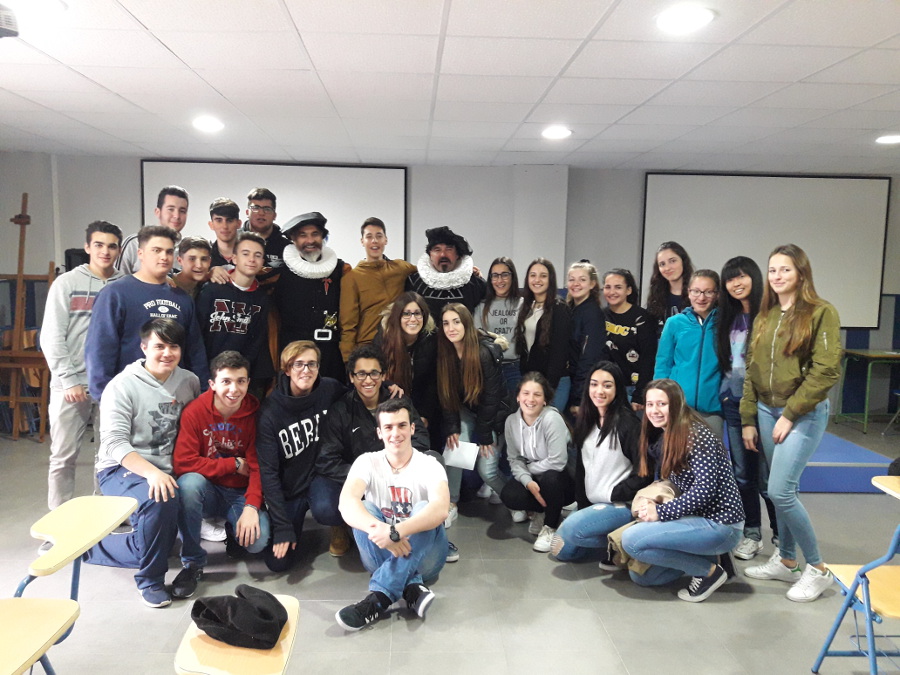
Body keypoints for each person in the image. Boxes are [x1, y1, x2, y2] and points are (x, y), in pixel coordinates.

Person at [741, 244, 841, 602]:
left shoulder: (821, 312)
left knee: (781, 490)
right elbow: (751, 371)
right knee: (778, 489)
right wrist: (749, 418)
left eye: (785, 269)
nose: (777, 276)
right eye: (772, 270)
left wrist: (790, 414)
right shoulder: (765, 316)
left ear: (801, 273)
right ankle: (786, 560)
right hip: (765, 411)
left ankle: (818, 568)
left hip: (802, 414)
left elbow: (826, 370)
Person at [84, 319, 201, 608]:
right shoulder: (122, 386)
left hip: (169, 469)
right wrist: (152, 473)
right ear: (144, 347)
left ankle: (107, 544)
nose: (167, 353)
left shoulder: (189, 381)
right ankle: (149, 580)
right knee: (160, 499)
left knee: (159, 541)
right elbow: (114, 442)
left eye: (174, 346)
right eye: (159, 346)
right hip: (120, 469)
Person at [621, 379, 744, 603]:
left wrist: (661, 512)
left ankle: (709, 572)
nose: (654, 411)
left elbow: (704, 491)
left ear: (676, 404)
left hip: (720, 524)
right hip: (697, 518)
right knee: (644, 577)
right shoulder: (668, 433)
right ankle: (715, 559)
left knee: (631, 541)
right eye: (650, 404)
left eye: (662, 404)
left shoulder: (697, 436)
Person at [336, 398, 449, 631]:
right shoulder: (366, 462)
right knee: (364, 509)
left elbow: (440, 509)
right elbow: (346, 503)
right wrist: (382, 531)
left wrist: (396, 532)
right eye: (388, 427)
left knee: (424, 509)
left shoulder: (430, 464)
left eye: (402, 425)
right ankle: (411, 587)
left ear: (412, 428)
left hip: (426, 558)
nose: (395, 433)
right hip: (381, 551)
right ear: (379, 432)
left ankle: (379, 598)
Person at [316, 344, 432, 556]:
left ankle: (418, 530)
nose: (368, 380)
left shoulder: (399, 402)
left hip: (397, 473)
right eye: (361, 374)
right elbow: (327, 459)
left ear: (383, 375)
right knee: (324, 505)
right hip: (358, 479)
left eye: (374, 373)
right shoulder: (340, 409)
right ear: (351, 377)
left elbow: (421, 440)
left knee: (434, 460)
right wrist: (364, 477)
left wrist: (396, 468)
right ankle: (341, 526)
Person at [172, 351, 271, 599]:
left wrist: (251, 506)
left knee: (257, 543)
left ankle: (234, 530)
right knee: (188, 484)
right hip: (208, 488)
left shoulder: (256, 414)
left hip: (239, 492)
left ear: (248, 382)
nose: (234, 389)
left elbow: (258, 466)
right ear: (212, 384)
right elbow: (183, 462)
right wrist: (233, 464)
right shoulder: (195, 411)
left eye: (240, 381)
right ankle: (192, 562)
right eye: (226, 381)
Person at [41, 220, 123, 515]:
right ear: (87, 247)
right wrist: (69, 379)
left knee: (109, 454)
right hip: (70, 385)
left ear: (119, 250)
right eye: (98, 245)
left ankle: (103, 515)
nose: (105, 251)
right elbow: (51, 337)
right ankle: (58, 519)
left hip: (110, 386)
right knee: (63, 456)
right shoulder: (66, 283)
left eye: (111, 246)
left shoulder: (123, 284)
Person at [86, 225, 209, 400]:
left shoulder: (182, 299)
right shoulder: (115, 294)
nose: (164, 257)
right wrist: (105, 398)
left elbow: (195, 352)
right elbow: (100, 351)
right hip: (128, 397)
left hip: (174, 398)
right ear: (140, 254)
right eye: (156, 250)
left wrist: (203, 394)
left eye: (168, 252)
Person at [255, 340, 346, 572]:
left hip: (321, 477)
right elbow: (269, 472)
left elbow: (358, 397)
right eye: (298, 364)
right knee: (277, 563)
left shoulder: (329, 388)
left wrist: (387, 387)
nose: (306, 370)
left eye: (312, 364)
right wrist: (282, 525)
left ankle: (341, 527)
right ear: (287, 369)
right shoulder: (270, 412)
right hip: (290, 488)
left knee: (329, 510)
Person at [550, 361, 647, 562]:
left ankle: (623, 542)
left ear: (618, 389)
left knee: (573, 531)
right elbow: (582, 470)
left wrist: (614, 493)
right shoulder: (587, 420)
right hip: (591, 503)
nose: (599, 391)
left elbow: (644, 473)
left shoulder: (628, 424)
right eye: (594, 384)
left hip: (619, 505)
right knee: (560, 550)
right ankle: (612, 542)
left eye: (607, 385)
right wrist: (582, 504)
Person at [716, 256, 778, 561]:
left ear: (754, 277)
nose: (736, 283)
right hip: (733, 404)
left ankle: (781, 537)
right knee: (743, 475)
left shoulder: (771, 315)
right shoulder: (726, 318)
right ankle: (752, 534)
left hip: (766, 406)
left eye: (741, 276)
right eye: (730, 279)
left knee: (769, 479)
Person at [437, 303, 506, 527]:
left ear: (467, 323)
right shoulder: (445, 353)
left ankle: (518, 501)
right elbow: (447, 395)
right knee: (455, 447)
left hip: (491, 414)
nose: (451, 328)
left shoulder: (484, 352)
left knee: (487, 471)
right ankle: (451, 503)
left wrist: (484, 434)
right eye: (446, 323)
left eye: (456, 322)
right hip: (465, 411)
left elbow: (492, 397)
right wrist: (452, 427)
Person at [499, 372, 574, 552]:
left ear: (545, 400)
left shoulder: (552, 418)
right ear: (518, 397)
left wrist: (529, 470)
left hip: (563, 477)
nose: (530, 399)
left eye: (537, 394)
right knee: (509, 495)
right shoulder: (511, 422)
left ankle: (551, 526)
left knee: (550, 478)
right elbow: (514, 459)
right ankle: (542, 511)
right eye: (525, 393)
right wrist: (527, 481)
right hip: (535, 473)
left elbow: (557, 462)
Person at [272, 212, 350, 381]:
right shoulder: (279, 274)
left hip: (330, 354)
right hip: (295, 356)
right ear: (293, 239)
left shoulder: (341, 270)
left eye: (315, 234)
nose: (310, 240)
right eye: (303, 235)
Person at [195, 232, 274, 393]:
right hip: (207, 373)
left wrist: (240, 374)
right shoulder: (212, 290)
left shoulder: (261, 299)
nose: (251, 259)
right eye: (245, 254)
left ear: (262, 262)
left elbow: (256, 342)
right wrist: (203, 372)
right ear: (234, 258)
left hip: (239, 377)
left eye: (257, 255)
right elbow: (197, 334)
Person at [654, 269, 724, 436]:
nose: (701, 297)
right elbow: (663, 364)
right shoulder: (674, 323)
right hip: (678, 407)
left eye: (708, 292)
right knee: (676, 451)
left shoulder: (724, 323)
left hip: (712, 409)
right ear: (688, 292)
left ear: (717, 294)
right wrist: (659, 399)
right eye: (696, 291)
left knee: (711, 452)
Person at [339, 217, 415, 361]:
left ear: (385, 240)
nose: (374, 241)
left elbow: (428, 272)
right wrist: (348, 360)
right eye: (369, 237)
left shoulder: (400, 267)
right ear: (362, 241)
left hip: (398, 344)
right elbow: (348, 325)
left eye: (379, 236)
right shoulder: (352, 278)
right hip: (367, 347)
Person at [373, 291, 439, 439]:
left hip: (421, 406)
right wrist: (388, 383)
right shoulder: (383, 338)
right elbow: (375, 371)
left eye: (417, 313)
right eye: (406, 314)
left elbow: (432, 382)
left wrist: (424, 414)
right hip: (389, 405)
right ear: (398, 316)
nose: (413, 319)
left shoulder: (431, 339)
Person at [514, 258, 572, 411]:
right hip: (533, 380)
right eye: (533, 275)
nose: (537, 280)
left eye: (543, 276)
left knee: (548, 423)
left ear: (550, 280)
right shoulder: (527, 306)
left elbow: (559, 354)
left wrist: (547, 390)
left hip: (554, 383)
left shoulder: (559, 308)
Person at [602, 268, 657, 411]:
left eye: (618, 287)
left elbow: (648, 358)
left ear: (629, 290)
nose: (612, 292)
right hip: (606, 388)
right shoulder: (600, 315)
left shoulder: (643, 318)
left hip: (632, 391)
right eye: (608, 287)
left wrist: (640, 394)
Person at [405, 226, 486, 319]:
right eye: (437, 250)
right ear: (430, 255)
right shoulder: (413, 283)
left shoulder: (475, 284)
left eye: (449, 249)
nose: (443, 254)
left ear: (457, 254)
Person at [474, 257, 524, 391]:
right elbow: (478, 337)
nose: (499, 280)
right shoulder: (481, 306)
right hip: (488, 369)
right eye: (495, 275)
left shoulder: (523, 304)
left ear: (512, 277)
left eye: (504, 275)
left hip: (515, 369)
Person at [565, 260, 608, 415]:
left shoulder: (592, 314)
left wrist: (578, 399)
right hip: (569, 382)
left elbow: (589, 358)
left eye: (582, 280)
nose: (576, 284)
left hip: (582, 390)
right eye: (572, 279)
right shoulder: (570, 309)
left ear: (592, 284)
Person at [116, 185, 189, 275]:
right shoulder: (134, 243)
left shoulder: (187, 250)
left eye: (182, 211)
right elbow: (117, 279)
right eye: (171, 209)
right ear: (158, 212)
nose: (176, 216)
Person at [242, 187, 289, 286]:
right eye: (255, 208)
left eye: (267, 209)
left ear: (274, 215)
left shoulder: (287, 248)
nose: (261, 213)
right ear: (247, 212)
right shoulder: (232, 241)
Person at [646, 241, 694, 329]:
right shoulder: (656, 295)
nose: (667, 268)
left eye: (672, 261)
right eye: (662, 264)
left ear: (683, 261)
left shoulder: (698, 294)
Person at [206, 198, 242, 269]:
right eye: (219, 220)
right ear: (211, 225)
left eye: (230, 220)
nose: (225, 226)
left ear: (239, 224)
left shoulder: (252, 255)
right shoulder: (204, 257)